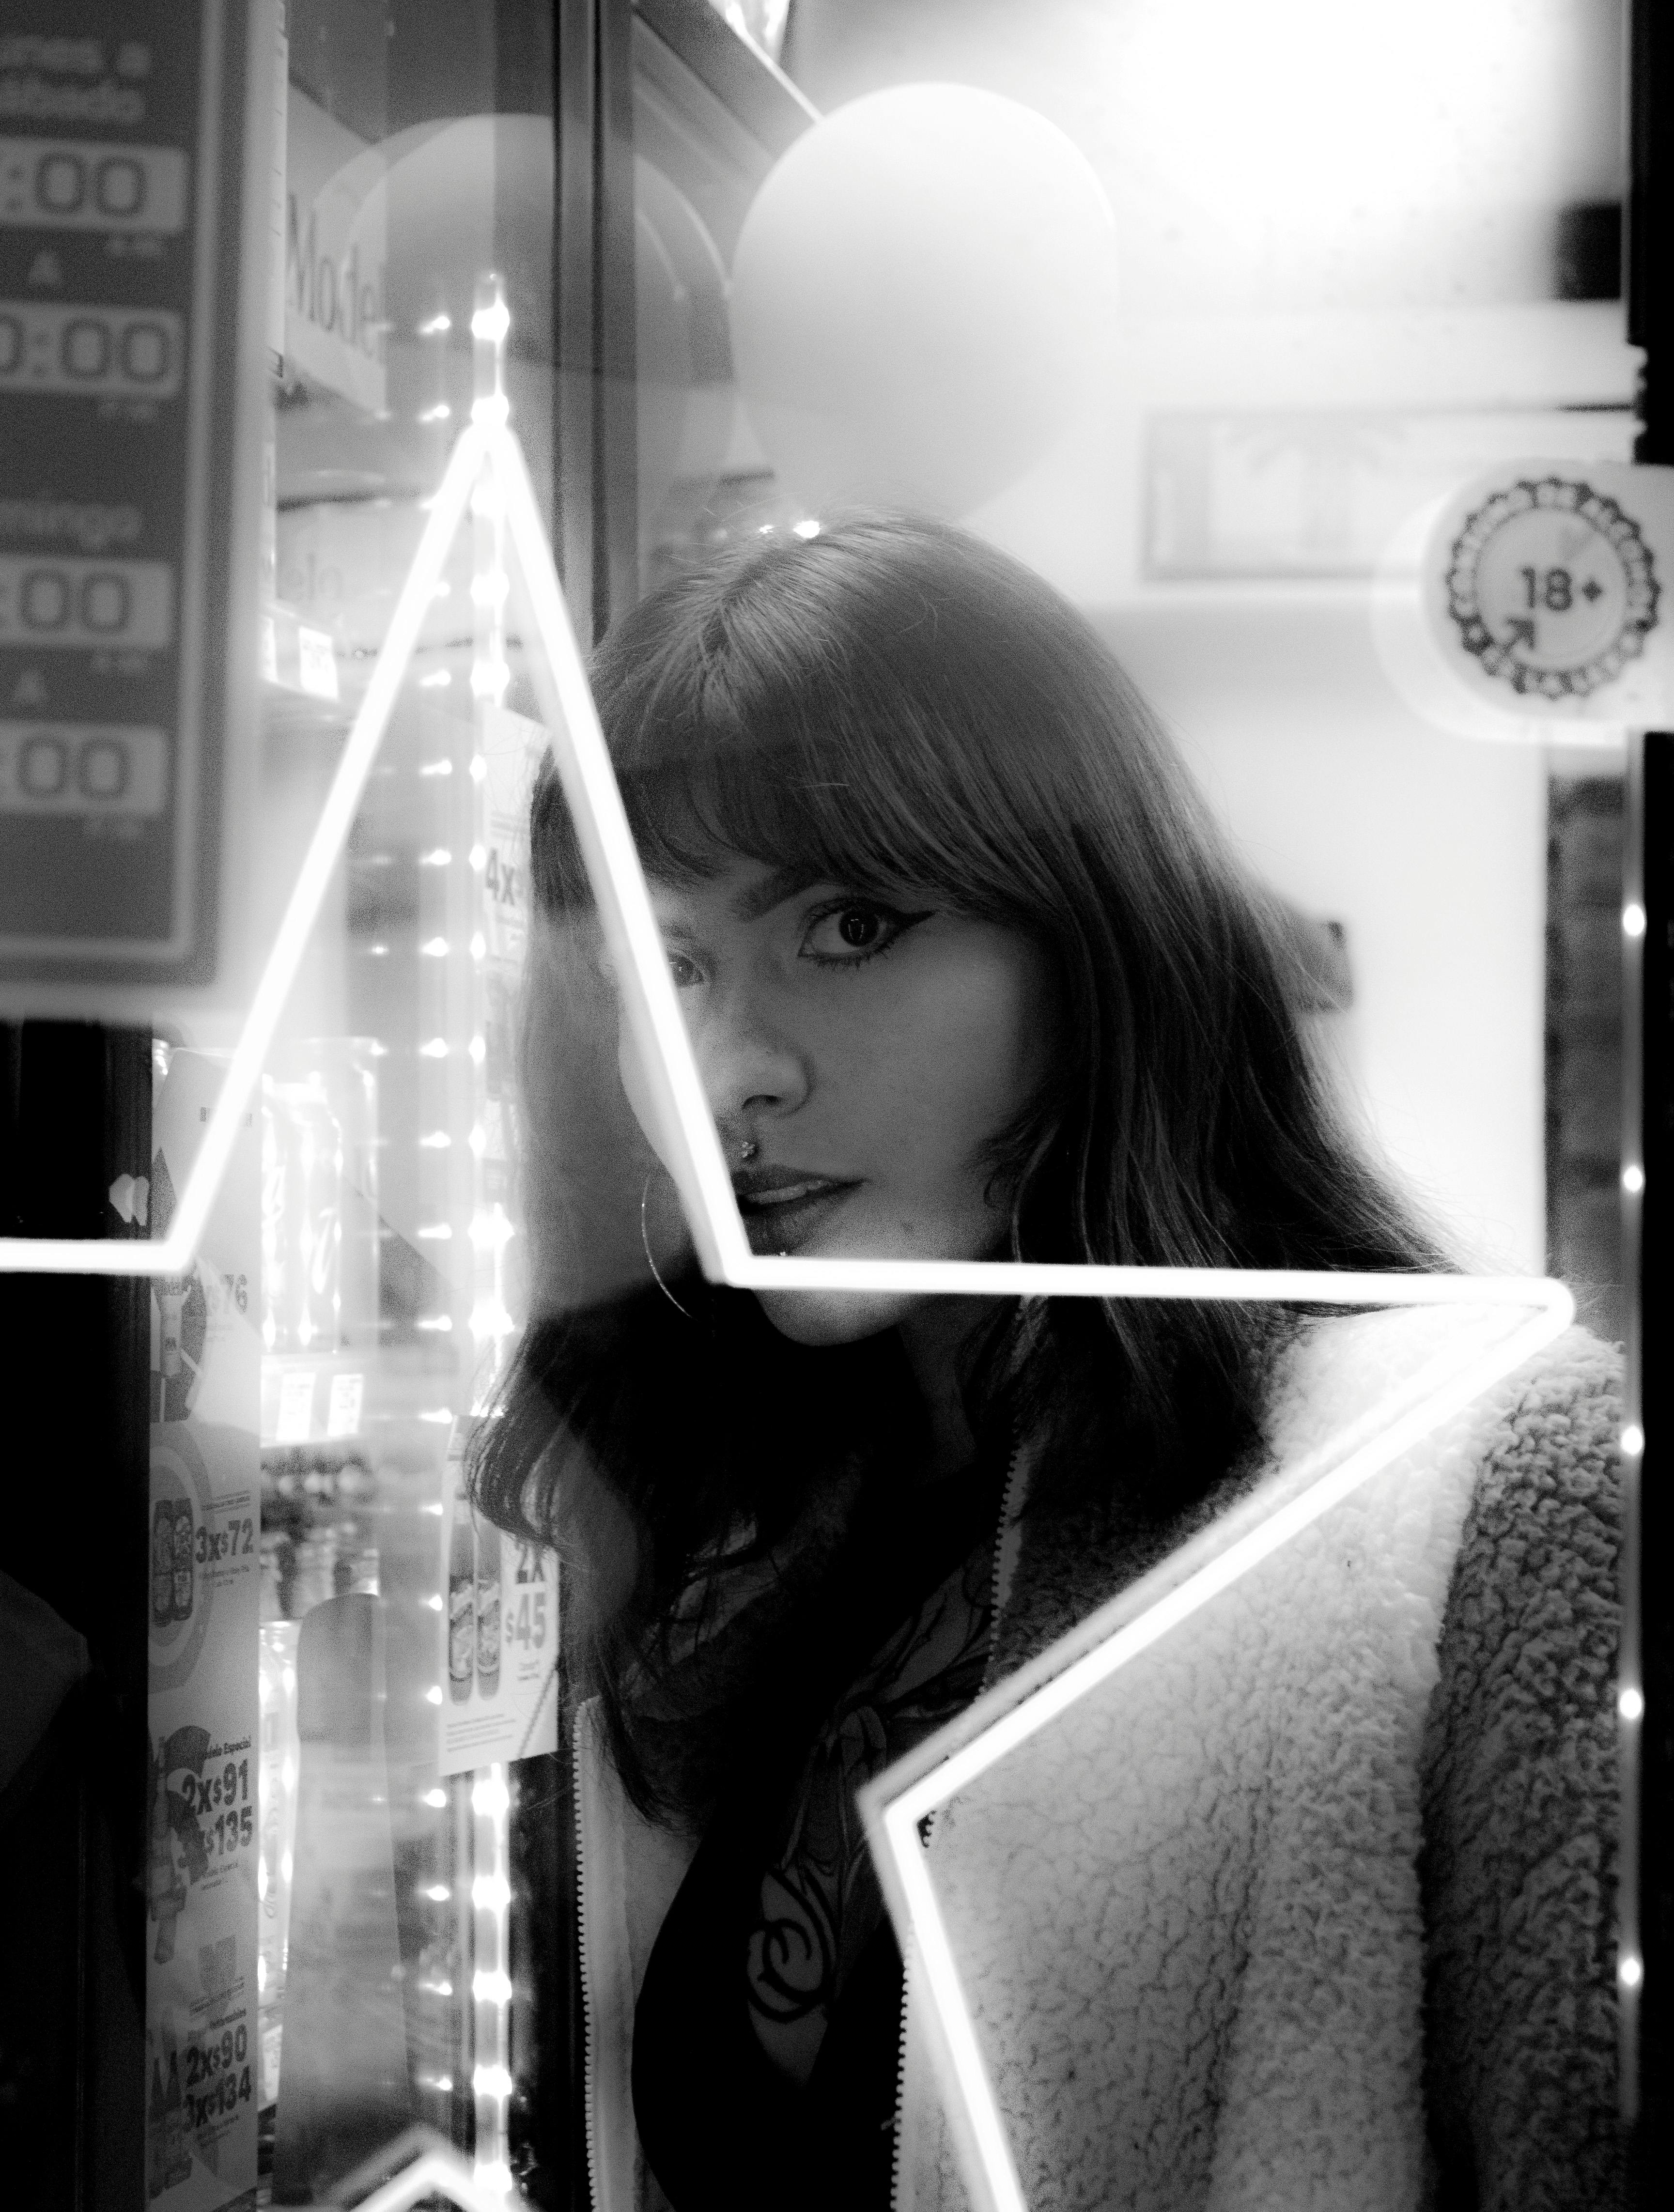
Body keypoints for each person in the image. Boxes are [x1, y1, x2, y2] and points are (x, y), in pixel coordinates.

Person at [469, 516, 1620, 2212]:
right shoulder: (738, 1537)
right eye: (675, 965)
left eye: (850, 927)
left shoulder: (1472, 1492)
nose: (729, 1078)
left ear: (1099, 952)